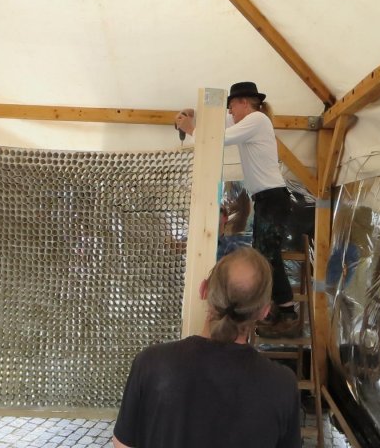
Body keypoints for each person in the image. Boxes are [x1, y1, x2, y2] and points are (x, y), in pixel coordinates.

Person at [112, 247, 301, 448]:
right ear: (264, 311)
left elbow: (122, 443)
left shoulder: (151, 363)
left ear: (204, 290)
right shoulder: (283, 385)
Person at [175, 82, 298, 337]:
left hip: (272, 199)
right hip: (267, 199)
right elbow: (217, 128)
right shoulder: (248, 121)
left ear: (244, 102)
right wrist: (197, 118)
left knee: (268, 256)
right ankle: (279, 310)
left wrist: (190, 129)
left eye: (231, 106)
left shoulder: (257, 120)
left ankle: (286, 313)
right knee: (265, 255)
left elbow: (218, 140)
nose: (230, 112)